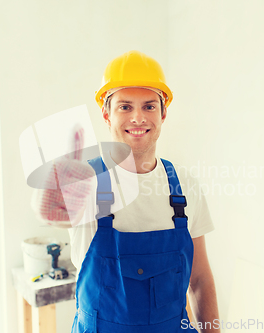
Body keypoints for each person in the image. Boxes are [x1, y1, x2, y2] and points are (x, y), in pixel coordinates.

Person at [34, 50, 219, 332]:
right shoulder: (87, 180)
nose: (137, 118)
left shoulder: (184, 184)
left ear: (163, 113)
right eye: (124, 107)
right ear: (107, 114)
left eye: (148, 106)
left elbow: (200, 279)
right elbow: (48, 211)